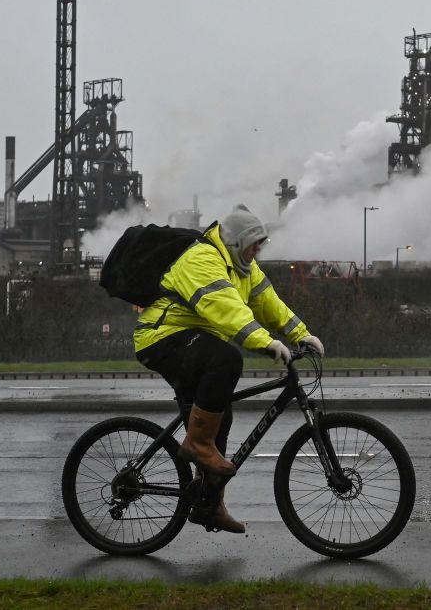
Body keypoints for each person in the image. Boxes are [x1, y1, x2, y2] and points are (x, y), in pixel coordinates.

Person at [134, 205, 324, 534]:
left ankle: (209, 504)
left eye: (260, 244)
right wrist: (263, 341)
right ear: (236, 242)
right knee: (227, 358)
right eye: (254, 244)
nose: (258, 250)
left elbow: (268, 302)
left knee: (221, 413)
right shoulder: (202, 258)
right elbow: (226, 308)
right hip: (162, 338)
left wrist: (300, 333)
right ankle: (196, 443)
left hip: (192, 342)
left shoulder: (243, 267)